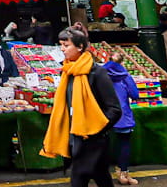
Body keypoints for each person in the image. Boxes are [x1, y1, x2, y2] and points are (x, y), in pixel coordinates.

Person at [39, 27, 121, 187]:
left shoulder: (97, 73)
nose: (62, 49)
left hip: (92, 139)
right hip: (74, 138)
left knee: (78, 179)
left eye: (66, 45)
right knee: (102, 177)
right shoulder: (67, 71)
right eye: (61, 45)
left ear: (80, 47)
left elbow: (114, 109)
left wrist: (96, 129)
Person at [105, 53, 139, 186]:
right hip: (122, 115)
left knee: (101, 144)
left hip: (104, 114)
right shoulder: (125, 76)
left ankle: (97, 173)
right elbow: (135, 94)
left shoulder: (100, 74)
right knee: (124, 143)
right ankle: (123, 172)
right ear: (122, 63)